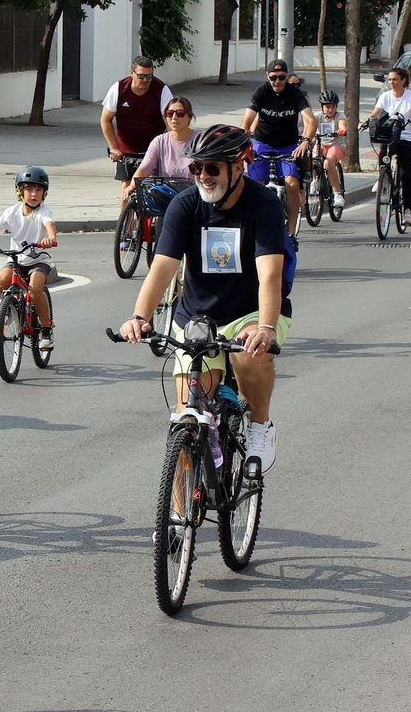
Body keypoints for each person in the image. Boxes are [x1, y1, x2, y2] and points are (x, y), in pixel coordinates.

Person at [117, 124, 288, 474]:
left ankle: (260, 428)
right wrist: (139, 316)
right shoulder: (184, 205)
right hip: (197, 317)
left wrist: (266, 327)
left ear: (238, 167)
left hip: (251, 312)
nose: (203, 176)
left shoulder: (264, 204)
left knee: (248, 355)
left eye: (212, 168)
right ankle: (182, 506)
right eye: (196, 167)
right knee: (187, 419)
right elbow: (162, 268)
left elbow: (270, 275)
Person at [0, 166, 58, 348]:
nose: (33, 194)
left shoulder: (43, 212)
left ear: (44, 193)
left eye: (38, 190)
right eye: (29, 189)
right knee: (1, 281)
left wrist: (50, 238)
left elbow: (49, 224)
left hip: (38, 260)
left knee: (35, 290)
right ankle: (11, 308)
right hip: (16, 259)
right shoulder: (12, 212)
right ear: (20, 191)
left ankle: (45, 329)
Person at [240, 59, 317, 234]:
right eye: (273, 77)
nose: (277, 81)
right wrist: (245, 139)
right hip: (262, 143)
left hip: (288, 146)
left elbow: (311, 120)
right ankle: (256, 228)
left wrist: (306, 140)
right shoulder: (261, 92)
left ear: (286, 76)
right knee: (256, 185)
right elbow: (247, 120)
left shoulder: (295, 94)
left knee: (292, 184)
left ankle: (291, 233)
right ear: (267, 76)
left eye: (281, 77)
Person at [361, 66, 411, 227]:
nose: (391, 82)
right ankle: (383, 177)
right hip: (390, 136)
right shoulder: (385, 96)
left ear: (403, 80)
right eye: (389, 79)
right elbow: (376, 112)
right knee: (383, 152)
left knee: (405, 175)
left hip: (407, 137)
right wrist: (367, 121)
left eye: (394, 79)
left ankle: (407, 212)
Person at [101, 56, 174, 191]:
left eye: (149, 76)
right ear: (132, 73)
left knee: (154, 189)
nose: (145, 80)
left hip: (154, 148)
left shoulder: (161, 90)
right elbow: (105, 120)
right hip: (127, 150)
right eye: (141, 76)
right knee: (126, 187)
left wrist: (172, 146)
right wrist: (114, 148)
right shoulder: (119, 88)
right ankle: (125, 206)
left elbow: (171, 121)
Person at [128, 96, 197, 208]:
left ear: (189, 116)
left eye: (180, 113)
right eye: (170, 113)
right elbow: (144, 168)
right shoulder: (159, 141)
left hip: (193, 197)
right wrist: (131, 186)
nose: (174, 117)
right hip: (166, 196)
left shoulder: (199, 141)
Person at [315, 91, 349, 210]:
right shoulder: (317, 116)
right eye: (327, 107)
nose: (330, 110)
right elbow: (309, 125)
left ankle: (337, 194)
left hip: (336, 145)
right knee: (312, 159)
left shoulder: (340, 116)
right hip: (322, 144)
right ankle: (314, 182)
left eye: (333, 107)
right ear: (321, 107)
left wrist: (341, 131)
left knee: (328, 162)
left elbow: (343, 125)